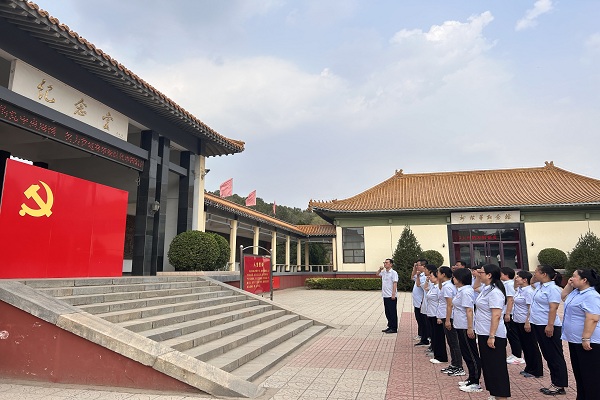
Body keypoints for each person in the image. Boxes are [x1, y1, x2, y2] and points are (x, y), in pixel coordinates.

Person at [560, 269, 600, 400]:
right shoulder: (576, 292)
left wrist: (586, 338)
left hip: (588, 342)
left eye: (574, 276)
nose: (571, 278)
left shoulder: (591, 296)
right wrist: (569, 285)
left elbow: (593, 318)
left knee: (590, 376)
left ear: (584, 280)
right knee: (580, 374)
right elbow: (564, 297)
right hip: (575, 340)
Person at [530, 265, 568, 395]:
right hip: (538, 323)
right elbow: (532, 282)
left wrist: (550, 325)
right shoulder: (540, 286)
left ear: (544, 274)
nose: (534, 274)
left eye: (536, 272)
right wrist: (535, 277)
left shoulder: (553, 289)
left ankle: (560, 385)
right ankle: (555, 382)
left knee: (554, 355)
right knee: (548, 355)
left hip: (548, 325)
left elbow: (553, 308)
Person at [475, 264, 511, 400]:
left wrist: (492, 336)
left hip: (493, 334)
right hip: (483, 332)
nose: (479, 274)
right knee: (489, 366)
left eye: (482, 272)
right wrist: (478, 275)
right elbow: (475, 287)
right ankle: (495, 394)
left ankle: (501, 395)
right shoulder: (486, 289)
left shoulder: (495, 292)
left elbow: (496, 315)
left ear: (489, 275)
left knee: (497, 367)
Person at [452, 267, 482, 393]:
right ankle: (471, 378)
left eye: (454, 277)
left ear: (460, 279)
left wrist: (470, 328)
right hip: (460, 325)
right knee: (466, 353)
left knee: (471, 354)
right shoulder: (462, 290)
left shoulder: (466, 292)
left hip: (465, 326)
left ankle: (475, 382)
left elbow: (469, 310)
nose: (453, 279)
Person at [513, 270, 543, 378]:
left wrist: (528, 322)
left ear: (525, 280)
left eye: (518, 277)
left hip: (525, 321)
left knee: (531, 346)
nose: (516, 278)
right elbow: (514, 288)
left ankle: (536, 370)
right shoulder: (520, 289)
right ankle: (529, 367)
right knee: (525, 346)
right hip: (518, 320)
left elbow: (531, 307)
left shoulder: (529, 291)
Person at [437, 266, 465, 376]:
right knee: (451, 342)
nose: (437, 274)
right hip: (445, 315)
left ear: (443, 274)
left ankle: (459, 366)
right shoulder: (446, 285)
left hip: (448, 316)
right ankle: (454, 364)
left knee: (454, 342)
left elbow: (449, 304)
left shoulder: (448, 287)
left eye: (438, 273)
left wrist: (448, 320)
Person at [500, 266, 524, 365]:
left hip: (509, 312)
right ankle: (515, 353)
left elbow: (510, 300)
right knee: (510, 334)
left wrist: (507, 313)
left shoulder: (509, 285)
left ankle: (517, 355)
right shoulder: (506, 284)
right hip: (507, 311)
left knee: (513, 335)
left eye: (501, 273)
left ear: (506, 275)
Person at [425, 264, 445, 362]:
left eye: (432, 276)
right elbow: (426, 289)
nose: (430, 277)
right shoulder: (433, 287)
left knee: (438, 336)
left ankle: (441, 356)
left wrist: (439, 317)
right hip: (431, 313)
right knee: (433, 334)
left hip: (436, 314)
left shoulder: (438, 288)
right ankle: (435, 352)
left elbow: (441, 302)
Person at [376, 258, 398, 333]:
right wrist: (380, 269)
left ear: (391, 264)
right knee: (387, 312)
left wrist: (393, 294)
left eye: (386, 263)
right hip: (385, 295)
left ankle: (394, 328)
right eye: (384, 262)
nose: (385, 264)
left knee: (392, 312)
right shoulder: (384, 272)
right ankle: (390, 326)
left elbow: (395, 283)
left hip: (391, 295)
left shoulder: (394, 273)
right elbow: (377, 274)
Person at [412, 259, 430, 345]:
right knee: (419, 320)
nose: (417, 266)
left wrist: (418, 276)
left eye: (418, 265)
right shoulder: (420, 274)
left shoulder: (425, 276)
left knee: (424, 321)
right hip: (417, 302)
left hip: (421, 302)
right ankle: (421, 335)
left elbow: (421, 286)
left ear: (423, 266)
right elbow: (412, 277)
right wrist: (414, 268)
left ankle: (425, 337)